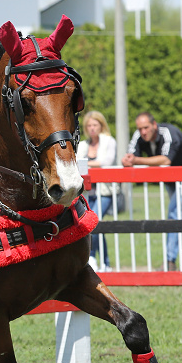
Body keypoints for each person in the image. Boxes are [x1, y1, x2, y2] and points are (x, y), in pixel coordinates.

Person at [124, 111, 182, 270]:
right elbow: (129, 156)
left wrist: (136, 160)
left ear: (154, 125)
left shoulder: (169, 132)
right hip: (170, 177)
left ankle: (170, 261)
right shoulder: (139, 135)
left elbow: (166, 160)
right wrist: (127, 159)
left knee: (175, 210)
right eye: (140, 128)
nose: (143, 132)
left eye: (146, 127)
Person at [76, 111, 117, 270]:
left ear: (101, 125)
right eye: (89, 126)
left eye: (95, 125)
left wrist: (86, 164)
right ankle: (105, 262)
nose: (92, 128)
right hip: (89, 192)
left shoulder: (109, 141)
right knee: (96, 226)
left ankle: (92, 256)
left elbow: (106, 161)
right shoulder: (84, 145)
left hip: (106, 191)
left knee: (94, 224)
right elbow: (77, 161)